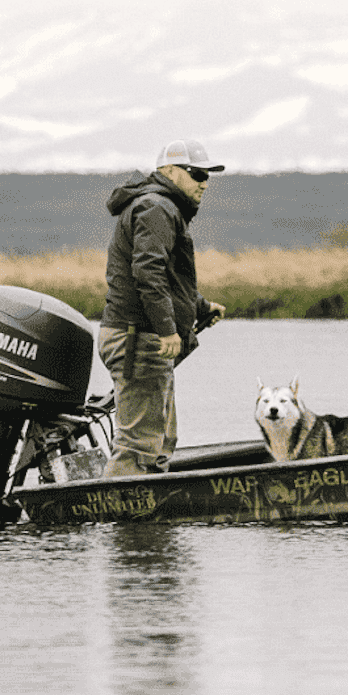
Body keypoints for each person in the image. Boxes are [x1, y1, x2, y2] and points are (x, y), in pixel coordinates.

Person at [97, 139, 227, 475]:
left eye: (208, 175)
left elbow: (167, 279)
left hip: (139, 337)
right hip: (138, 338)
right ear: (169, 171)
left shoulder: (162, 208)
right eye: (197, 173)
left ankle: (148, 528)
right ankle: (117, 521)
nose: (204, 182)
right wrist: (167, 329)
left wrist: (199, 307)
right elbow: (147, 271)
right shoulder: (157, 208)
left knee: (159, 444)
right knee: (138, 450)